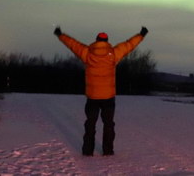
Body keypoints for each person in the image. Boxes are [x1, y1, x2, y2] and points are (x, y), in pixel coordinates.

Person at [53, 25, 149, 156]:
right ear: (107, 41)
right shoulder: (113, 53)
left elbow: (73, 44)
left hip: (92, 97)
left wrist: (60, 35)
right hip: (108, 98)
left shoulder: (87, 52)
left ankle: (87, 151)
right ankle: (108, 151)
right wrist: (141, 35)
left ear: (96, 40)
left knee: (90, 125)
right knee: (108, 124)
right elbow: (129, 45)